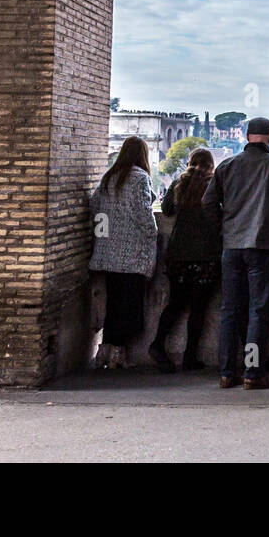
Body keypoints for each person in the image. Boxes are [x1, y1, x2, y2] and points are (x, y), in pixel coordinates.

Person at [203, 117, 269, 390]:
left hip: (232, 247)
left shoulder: (227, 166)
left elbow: (208, 203)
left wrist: (224, 231)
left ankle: (226, 373)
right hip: (265, 248)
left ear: (247, 137)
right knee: (259, 311)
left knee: (230, 310)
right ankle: (253, 373)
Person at [89, 136, 158, 370]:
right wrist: (152, 233)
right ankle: (118, 355)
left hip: (108, 254)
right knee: (130, 309)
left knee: (114, 305)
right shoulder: (140, 178)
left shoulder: (109, 177)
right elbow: (144, 213)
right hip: (131, 256)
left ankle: (103, 353)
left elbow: (95, 207)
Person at [148, 147, 220, 373]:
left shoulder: (180, 182)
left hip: (178, 253)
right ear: (210, 165)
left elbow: (167, 210)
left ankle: (158, 345)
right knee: (199, 309)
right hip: (205, 255)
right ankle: (190, 356)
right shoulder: (214, 186)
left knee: (176, 304)